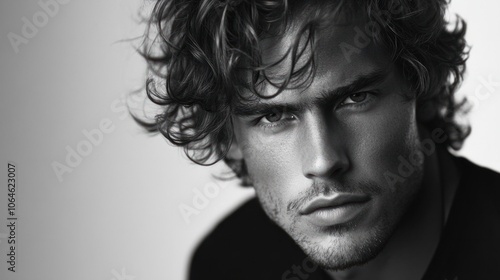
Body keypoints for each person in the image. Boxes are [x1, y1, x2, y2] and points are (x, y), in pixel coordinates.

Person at [136, 0, 500, 279]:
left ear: (422, 87)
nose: (323, 161)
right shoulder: (228, 262)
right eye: (273, 116)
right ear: (228, 135)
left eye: (356, 98)